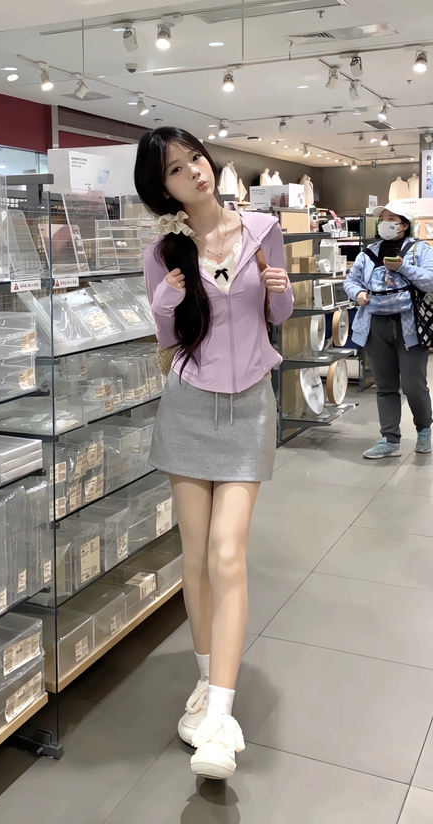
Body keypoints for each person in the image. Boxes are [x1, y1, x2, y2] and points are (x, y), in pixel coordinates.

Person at [135, 126, 293, 780]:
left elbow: (278, 314)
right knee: (196, 555)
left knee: (229, 552)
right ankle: (205, 681)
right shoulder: (164, 252)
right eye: (176, 170)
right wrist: (165, 303)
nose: (195, 173)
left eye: (195, 158)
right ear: (163, 188)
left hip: (249, 406)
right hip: (189, 408)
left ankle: (221, 720)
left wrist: (280, 291)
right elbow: (166, 338)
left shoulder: (261, 229)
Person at [343, 202, 433, 459]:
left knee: (413, 385)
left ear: (404, 225)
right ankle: (389, 438)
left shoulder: (420, 249)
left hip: (411, 326)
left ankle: (423, 429)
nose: (384, 223)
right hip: (374, 325)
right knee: (385, 385)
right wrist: (358, 293)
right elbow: (350, 281)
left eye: (390, 218)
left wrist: (403, 267)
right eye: (382, 219)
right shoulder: (368, 253)